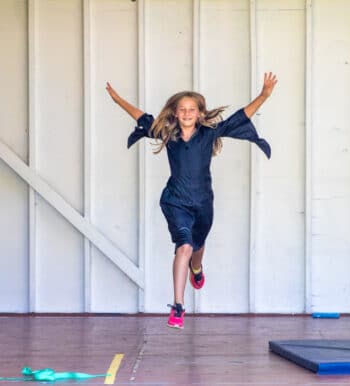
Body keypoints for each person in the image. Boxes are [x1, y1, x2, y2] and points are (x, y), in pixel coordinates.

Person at [106, 73, 277, 329]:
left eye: (191, 109)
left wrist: (263, 95)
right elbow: (140, 116)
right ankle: (177, 307)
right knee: (184, 246)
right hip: (175, 201)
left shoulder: (210, 133)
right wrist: (118, 99)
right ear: (175, 113)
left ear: (199, 113)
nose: (186, 113)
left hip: (203, 203)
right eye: (182, 109)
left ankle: (197, 269)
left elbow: (240, 117)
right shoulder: (166, 133)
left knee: (197, 246)